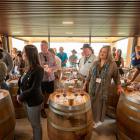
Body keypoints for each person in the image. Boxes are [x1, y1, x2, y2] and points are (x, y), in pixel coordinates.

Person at [83, 45, 123, 127]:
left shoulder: (112, 64)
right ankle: (91, 119)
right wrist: (85, 84)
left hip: (103, 88)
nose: (102, 53)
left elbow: (116, 76)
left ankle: (97, 120)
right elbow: (89, 74)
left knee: (100, 104)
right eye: (101, 51)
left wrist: (119, 87)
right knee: (91, 103)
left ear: (108, 53)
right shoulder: (95, 62)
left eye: (104, 52)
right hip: (92, 87)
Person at [17, 45, 44, 140]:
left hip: (33, 101)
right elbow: (21, 83)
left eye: (24, 52)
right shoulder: (27, 66)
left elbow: (34, 89)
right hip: (26, 100)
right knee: (32, 122)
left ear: (29, 54)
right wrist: (18, 93)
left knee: (36, 124)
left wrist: (21, 96)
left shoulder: (39, 69)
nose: (22, 54)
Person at [39, 40, 56, 118]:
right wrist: (43, 68)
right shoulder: (38, 55)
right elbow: (36, 65)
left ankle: (45, 103)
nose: (42, 47)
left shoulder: (52, 55)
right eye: (41, 46)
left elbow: (55, 66)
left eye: (43, 46)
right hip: (41, 78)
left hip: (50, 78)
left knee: (49, 92)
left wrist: (50, 69)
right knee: (41, 94)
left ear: (47, 46)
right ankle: (42, 109)